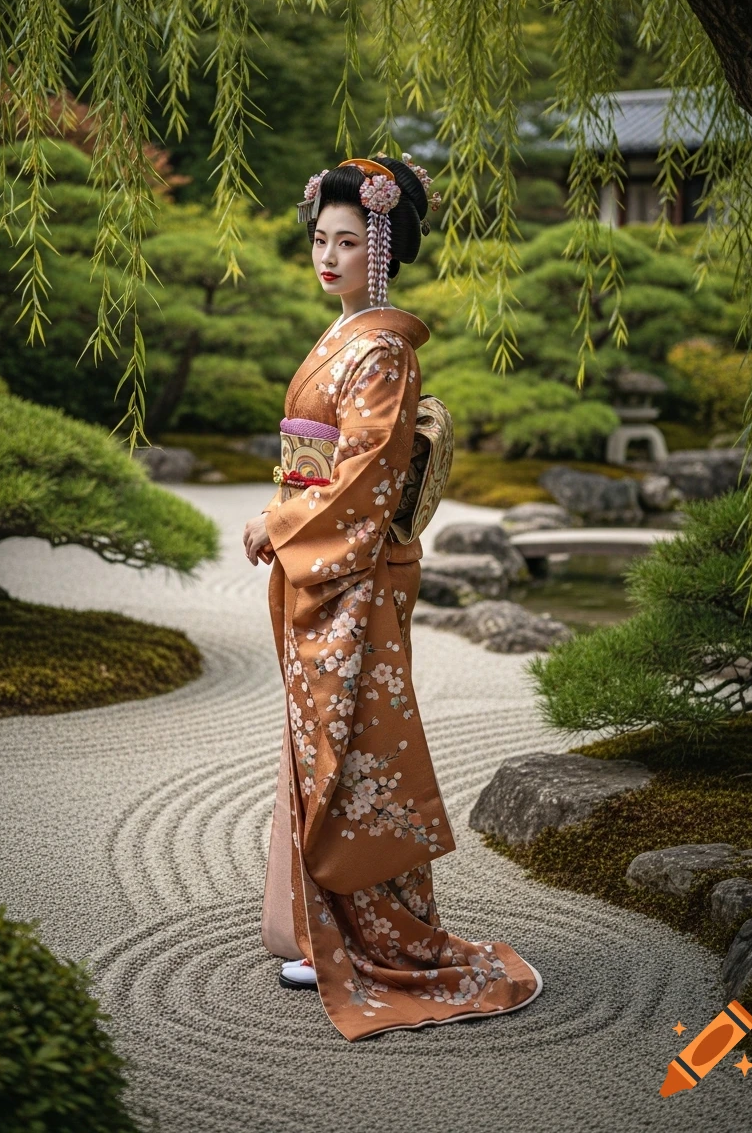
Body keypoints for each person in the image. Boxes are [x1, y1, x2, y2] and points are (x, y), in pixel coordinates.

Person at [241, 155, 542, 1042]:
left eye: (345, 241)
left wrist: (283, 520)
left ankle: (372, 940)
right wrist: (291, 519)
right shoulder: (346, 341)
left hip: (355, 577)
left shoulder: (382, 352)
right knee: (321, 741)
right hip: (325, 572)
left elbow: (368, 479)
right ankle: (321, 924)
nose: (326, 256)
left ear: (379, 247)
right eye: (318, 240)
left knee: (353, 750)